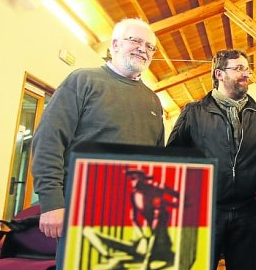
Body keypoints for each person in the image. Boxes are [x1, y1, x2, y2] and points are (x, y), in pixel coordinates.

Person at [166, 49, 256, 270]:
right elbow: (174, 157)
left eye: (247, 69)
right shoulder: (193, 113)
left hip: (247, 213)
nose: (247, 74)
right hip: (204, 214)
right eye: (240, 68)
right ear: (219, 74)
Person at [32, 18, 165, 241]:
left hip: (134, 216)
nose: (143, 49)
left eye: (150, 46)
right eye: (135, 41)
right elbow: (48, 140)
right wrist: (52, 202)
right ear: (114, 45)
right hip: (81, 209)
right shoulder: (82, 81)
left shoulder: (152, 100)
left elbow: (156, 161)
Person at [82, 169, 180, 270]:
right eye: (132, 178)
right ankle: (112, 259)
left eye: (137, 177)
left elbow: (181, 198)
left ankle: (146, 265)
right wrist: (142, 236)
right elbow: (133, 218)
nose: (134, 181)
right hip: (140, 243)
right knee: (88, 231)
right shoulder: (134, 194)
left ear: (144, 178)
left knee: (158, 218)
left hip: (158, 246)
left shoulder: (156, 190)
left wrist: (166, 202)